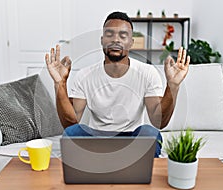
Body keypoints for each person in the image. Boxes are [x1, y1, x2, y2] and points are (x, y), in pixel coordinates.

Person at [45, 11, 190, 158]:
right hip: (96, 138)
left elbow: (159, 121)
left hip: (132, 138)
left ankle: (117, 165)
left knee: (151, 133)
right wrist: (60, 83)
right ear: (102, 40)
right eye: (109, 34)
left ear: (131, 42)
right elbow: (70, 123)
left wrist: (173, 86)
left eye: (123, 35)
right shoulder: (84, 75)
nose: (116, 40)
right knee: (71, 134)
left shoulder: (147, 72)